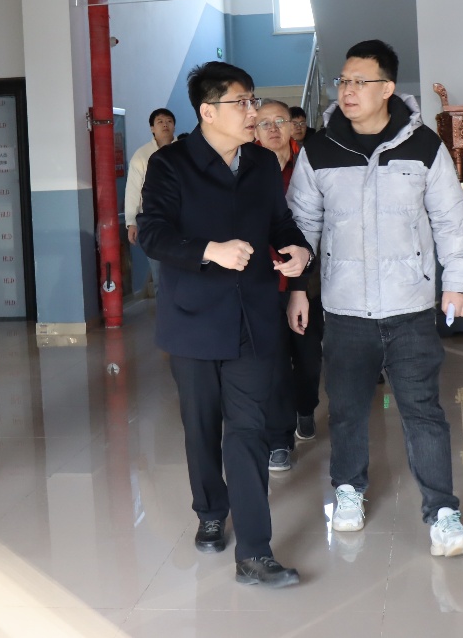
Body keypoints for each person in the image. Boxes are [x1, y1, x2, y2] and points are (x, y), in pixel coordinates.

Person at [286, 39, 463, 558]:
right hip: (345, 308)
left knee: (423, 412)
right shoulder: (319, 150)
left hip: (410, 307)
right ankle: (348, 490)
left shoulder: (425, 146)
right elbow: (301, 226)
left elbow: (450, 220)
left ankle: (443, 513)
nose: (347, 91)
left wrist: (457, 282)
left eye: (359, 81)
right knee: (347, 408)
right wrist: (298, 289)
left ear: (387, 88)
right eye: (343, 81)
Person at [137, 62, 314, 588]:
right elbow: (152, 233)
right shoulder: (170, 164)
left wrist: (299, 255)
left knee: (248, 430)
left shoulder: (260, 163)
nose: (253, 112)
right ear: (208, 111)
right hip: (193, 319)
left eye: (254, 100)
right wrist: (209, 251)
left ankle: (255, 551)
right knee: (200, 426)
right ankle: (211, 512)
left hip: (253, 317)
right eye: (243, 102)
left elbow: (280, 223)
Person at [253, 99, 325, 473]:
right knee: (275, 363)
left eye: (279, 121)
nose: (273, 128)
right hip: (264, 284)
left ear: (293, 126)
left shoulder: (309, 165)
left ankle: (306, 407)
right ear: (254, 129)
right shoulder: (245, 170)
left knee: (308, 357)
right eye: (264, 122)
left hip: (308, 283)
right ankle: (279, 440)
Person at [124, 108, 176, 293]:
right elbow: (133, 190)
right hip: (152, 221)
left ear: (174, 126)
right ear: (152, 128)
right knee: (159, 273)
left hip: (180, 219)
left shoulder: (184, 150)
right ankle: (163, 309)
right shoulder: (141, 156)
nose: (165, 125)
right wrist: (131, 222)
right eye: (160, 121)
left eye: (169, 121)